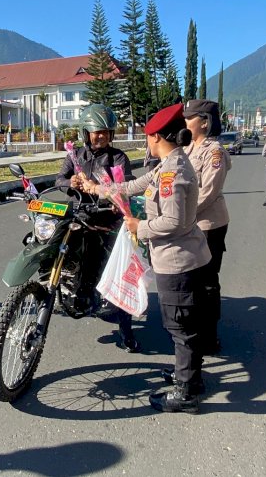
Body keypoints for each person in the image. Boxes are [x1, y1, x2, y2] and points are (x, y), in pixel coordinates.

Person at [83, 103, 211, 414]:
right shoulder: (166, 164)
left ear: (154, 136)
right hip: (177, 257)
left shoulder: (173, 172)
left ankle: (187, 393)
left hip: (178, 260)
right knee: (182, 324)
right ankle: (189, 377)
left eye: (146, 136)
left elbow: (175, 221)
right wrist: (98, 189)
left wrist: (141, 226)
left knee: (180, 326)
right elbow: (130, 186)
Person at [55, 103, 139, 352]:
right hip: (79, 215)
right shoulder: (76, 155)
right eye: (95, 131)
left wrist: (115, 200)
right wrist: (69, 182)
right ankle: (62, 289)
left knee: (118, 272)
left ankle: (126, 330)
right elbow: (59, 179)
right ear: (86, 133)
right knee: (53, 242)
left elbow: (127, 186)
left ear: (111, 134)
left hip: (106, 221)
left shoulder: (118, 158)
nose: (100, 136)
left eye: (104, 131)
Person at [183, 99, 231, 355]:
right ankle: (194, 332)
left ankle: (210, 337)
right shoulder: (188, 148)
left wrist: (180, 213)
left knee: (207, 282)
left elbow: (209, 192)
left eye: (190, 117)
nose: (185, 121)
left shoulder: (215, 152)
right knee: (191, 281)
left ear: (204, 122)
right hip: (189, 223)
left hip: (208, 224)